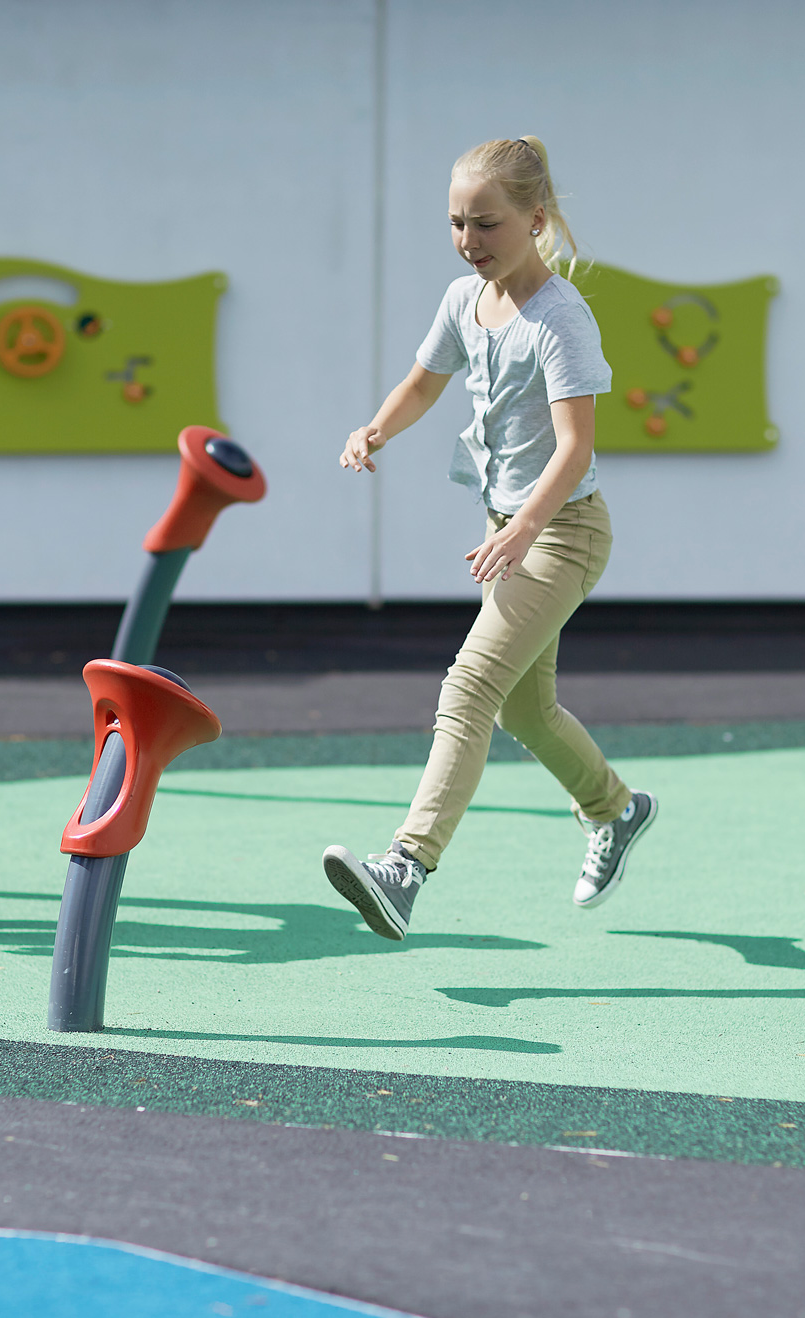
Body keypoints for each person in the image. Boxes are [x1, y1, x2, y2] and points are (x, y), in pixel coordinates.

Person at [321, 136, 657, 941]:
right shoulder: (461, 300)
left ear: (536, 221)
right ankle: (617, 807)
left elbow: (575, 444)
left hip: (562, 532)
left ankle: (406, 864)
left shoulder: (560, 317)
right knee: (526, 711)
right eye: (457, 223)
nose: (470, 241)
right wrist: (376, 428)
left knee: (469, 687)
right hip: (509, 528)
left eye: (489, 225)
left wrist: (525, 530)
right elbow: (424, 382)